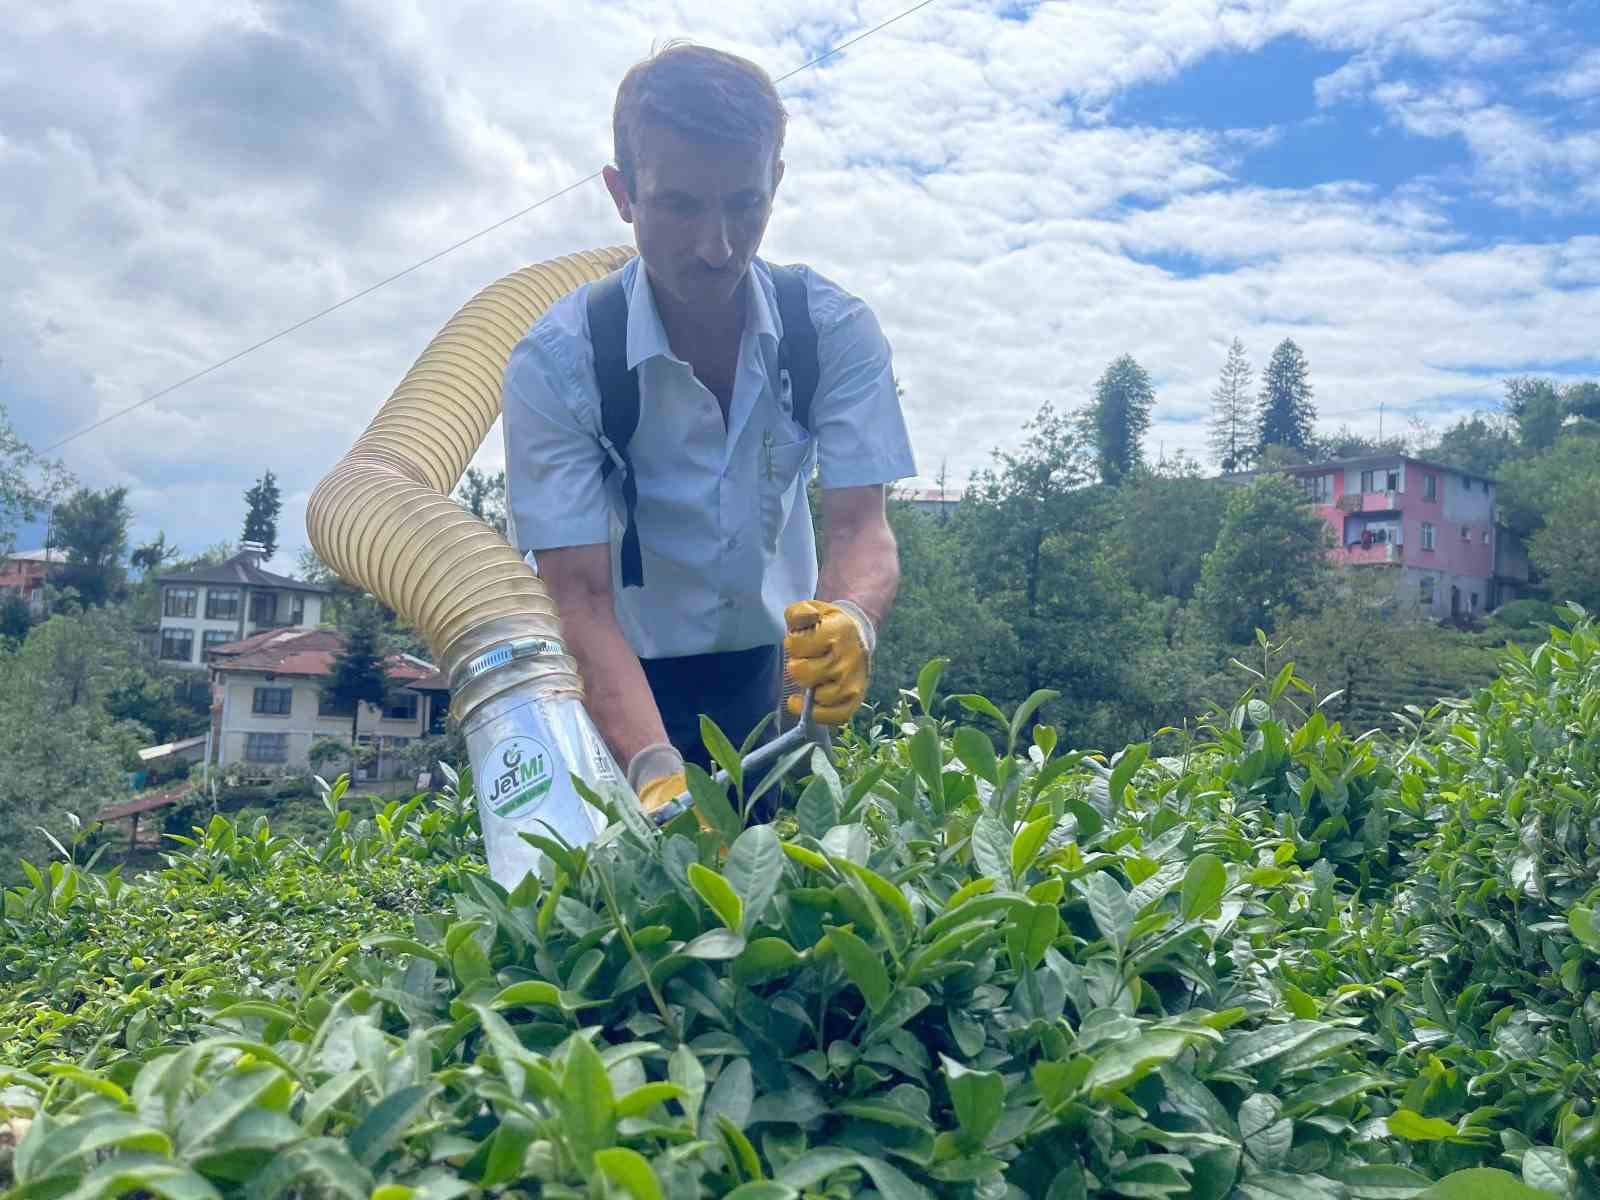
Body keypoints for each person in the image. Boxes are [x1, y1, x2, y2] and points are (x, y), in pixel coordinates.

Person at [501, 41, 916, 819]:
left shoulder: (831, 331)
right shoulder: (557, 364)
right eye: (681, 204)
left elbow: (864, 527)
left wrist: (851, 617)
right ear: (623, 194)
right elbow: (579, 596)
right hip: (619, 675)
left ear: (776, 185)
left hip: (770, 674)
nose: (716, 246)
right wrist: (655, 768)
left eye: (744, 204)